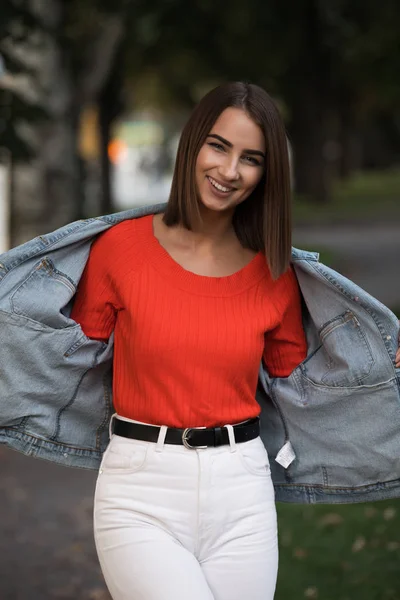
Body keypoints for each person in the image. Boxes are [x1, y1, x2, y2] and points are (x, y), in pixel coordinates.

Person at [69, 81, 308, 599]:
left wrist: (384, 359)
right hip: (140, 491)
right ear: (193, 142)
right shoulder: (121, 250)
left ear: (267, 174)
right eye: (218, 146)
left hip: (243, 489)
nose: (228, 171)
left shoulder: (274, 271)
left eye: (251, 158)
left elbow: (303, 377)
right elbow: (70, 352)